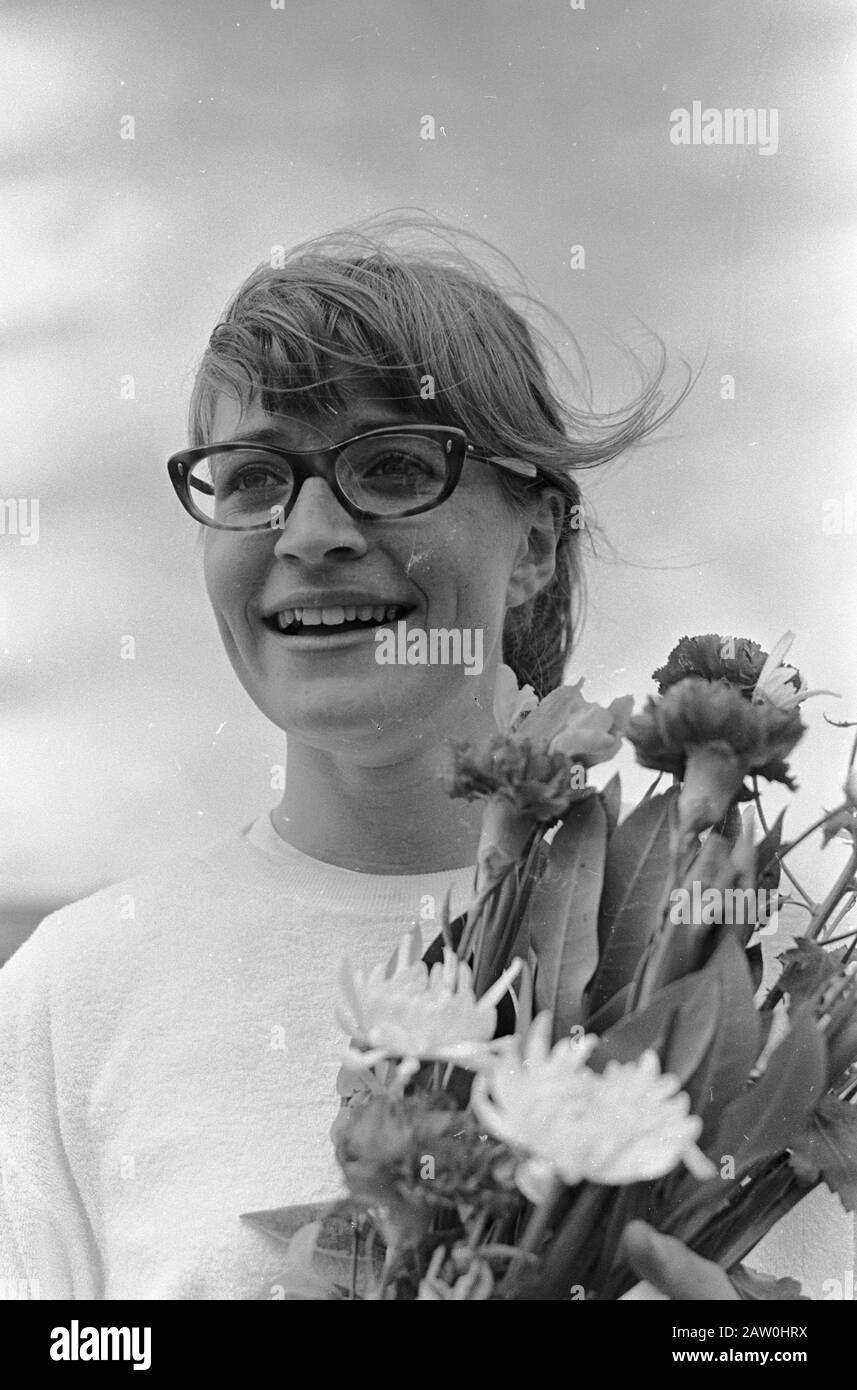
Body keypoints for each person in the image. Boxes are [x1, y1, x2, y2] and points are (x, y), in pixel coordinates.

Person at [0, 217, 849, 1300]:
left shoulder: (773, 976)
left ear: (535, 542)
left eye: (392, 464)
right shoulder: (65, 1003)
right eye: (254, 476)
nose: (308, 532)